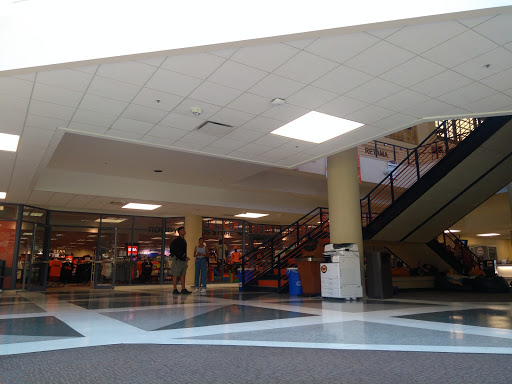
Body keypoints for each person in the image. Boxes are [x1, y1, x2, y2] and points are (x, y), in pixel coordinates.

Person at [169, 227, 191, 294]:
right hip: (177, 260)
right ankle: (175, 289)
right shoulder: (176, 241)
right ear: (179, 232)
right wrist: (178, 256)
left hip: (183, 260)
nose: (184, 231)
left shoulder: (184, 241)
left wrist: (185, 257)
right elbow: (173, 250)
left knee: (183, 274)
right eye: (183, 230)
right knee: (175, 274)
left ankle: (183, 288)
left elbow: (183, 251)